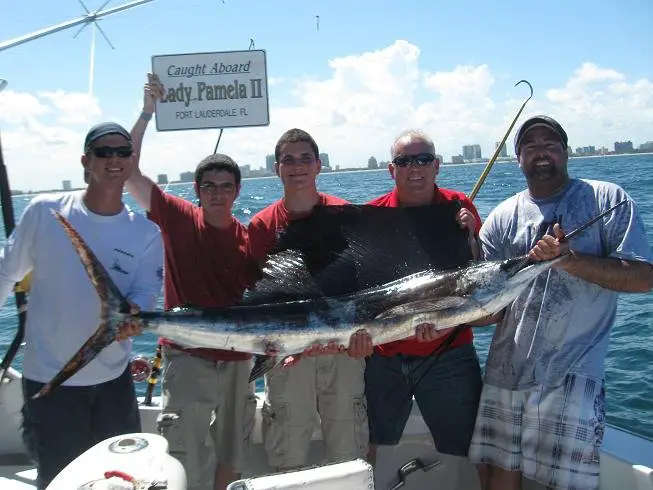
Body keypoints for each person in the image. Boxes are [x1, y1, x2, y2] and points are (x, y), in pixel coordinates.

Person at [468, 115, 653, 490]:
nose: (541, 151)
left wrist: (568, 259)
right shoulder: (503, 216)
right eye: (530, 145)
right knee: (500, 475)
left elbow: (643, 277)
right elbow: (484, 310)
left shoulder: (607, 198)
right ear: (517, 158)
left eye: (551, 143)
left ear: (566, 152)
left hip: (572, 373)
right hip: (506, 370)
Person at [0, 122, 164, 489]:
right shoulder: (44, 212)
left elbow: (145, 293)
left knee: (123, 481)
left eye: (123, 152)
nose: (114, 159)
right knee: (59, 479)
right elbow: (6, 274)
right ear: (85, 160)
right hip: (50, 382)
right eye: (104, 152)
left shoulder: (146, 232)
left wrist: (135, 313)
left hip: (114, 382)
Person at [126, 74, 258, 490]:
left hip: (240, 361)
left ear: (237, 191)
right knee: (183, 456)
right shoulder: (177, 216)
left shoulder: (251, 238)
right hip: (187, 360)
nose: (218, 193)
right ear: (197, 191)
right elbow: (127, 170)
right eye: (209, 186)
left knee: (232, 455)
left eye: (226, 186)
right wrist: (147, 112)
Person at [247, 128, 372, 471]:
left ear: (318, 165)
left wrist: (363, 339)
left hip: (342, 349)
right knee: (288, 451)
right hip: (288, 354)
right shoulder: (260, 225)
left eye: (305, 159)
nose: (297, 166)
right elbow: (260, 297)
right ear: (277, 168)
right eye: (289, 159)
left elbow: (364, 287)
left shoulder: (346, 214)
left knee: (350, 456)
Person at [363, 129, 488, 473]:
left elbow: (477, 279)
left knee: (469, 451)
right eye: (404, 161)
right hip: (385, 357)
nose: (414, 168)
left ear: (436, 166)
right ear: (392, 170)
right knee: (372, 446)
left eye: (422, 160)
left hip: (449, 351)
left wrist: (472, 235)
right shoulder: (372, 216)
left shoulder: (459, 207)